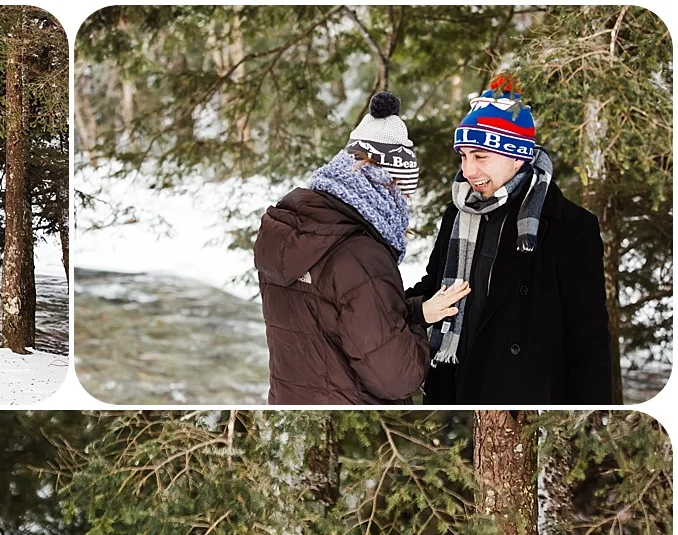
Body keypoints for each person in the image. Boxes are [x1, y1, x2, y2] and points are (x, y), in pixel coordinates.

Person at [409, 75, 613, 404]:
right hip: (457, 393)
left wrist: (592, 413)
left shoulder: (571, 227)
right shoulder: (459, 212)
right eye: (463, 156)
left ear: (516, 155)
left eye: (479, 156)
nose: (468, 170)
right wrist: (407, 309)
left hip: (524, 399)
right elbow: (434, 288)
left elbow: (588, 340)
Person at [255, 92, 467, 404]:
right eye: (404, 193)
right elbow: (398, 377)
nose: (405, 205)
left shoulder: (293, 231)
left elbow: (331, 317)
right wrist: (418, 336)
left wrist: (416, 312)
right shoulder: (361, 256)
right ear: (389, 185)